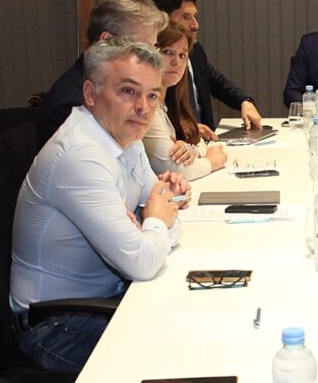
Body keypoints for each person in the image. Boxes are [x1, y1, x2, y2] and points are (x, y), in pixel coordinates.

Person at [12, 37, 189, 374]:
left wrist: (153, 222)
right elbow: (142, 261)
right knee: (175, 358)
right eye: (128, 91)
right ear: (90, 94)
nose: (143, 107)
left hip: (107, 300)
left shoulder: (127, 136)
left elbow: (169, 214)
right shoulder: (80, 154)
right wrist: (153, 221)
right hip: (54, 326)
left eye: (152, 95)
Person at [38, 0, 169, 145]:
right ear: (107, 41)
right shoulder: (72, 103)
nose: (151, 56)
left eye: (153, 47)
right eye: (142, 47)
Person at [149, 0, 262, 135]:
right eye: (185, 17)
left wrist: (244, 101)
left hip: (202, 137)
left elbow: (216, 82)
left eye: (194, 16)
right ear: (163, 20)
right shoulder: (154, 65)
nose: (195, 25)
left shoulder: (196, 50)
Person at [142, 23, 228, 180]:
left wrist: (191, 150)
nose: (176, 62)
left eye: (182, 55)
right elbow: (175, 170)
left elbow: (197, 141)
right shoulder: (146, 107)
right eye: (167, 52)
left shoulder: (169, 103)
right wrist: (212, 161)